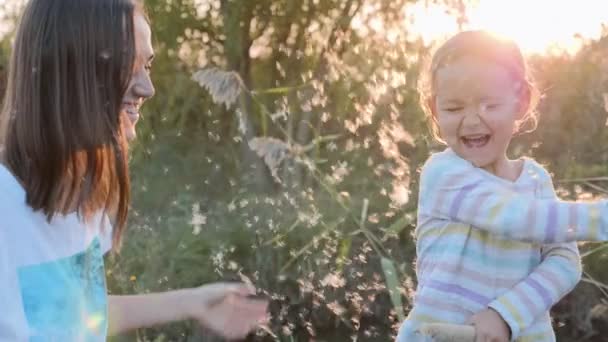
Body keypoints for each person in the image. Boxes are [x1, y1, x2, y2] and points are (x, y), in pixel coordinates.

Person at [0, 0, 267, 341]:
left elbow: (71, 314)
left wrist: (193, 301)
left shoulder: (84, 192)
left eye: (148, 66)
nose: (147, 88)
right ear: (69, 69)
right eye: (128, 64)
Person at [396, 30, 608, 342]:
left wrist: (505, 315)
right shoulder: (443, 174)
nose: (471, 120)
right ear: (434, 110)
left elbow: (565, 263)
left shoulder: (536, 181)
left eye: (489, 105)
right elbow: (518, 219)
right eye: (454, 108)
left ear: (520, 102)